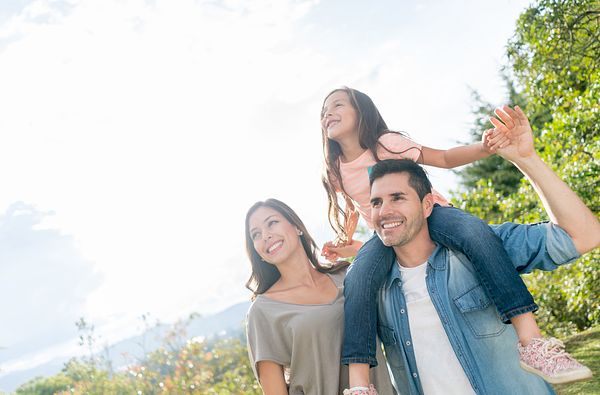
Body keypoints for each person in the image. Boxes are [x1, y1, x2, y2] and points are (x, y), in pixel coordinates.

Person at [319, 87, 588, 391]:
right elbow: (356, 206)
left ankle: (531, 342)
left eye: (337, 105)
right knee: (357, 278)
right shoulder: (336, 167)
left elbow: (444, 158)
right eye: (324, 110)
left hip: (435, 214)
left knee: (476, 233)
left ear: (361, 111)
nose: (328, 112)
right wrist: (347, 238)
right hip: (387, 235)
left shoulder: (387, 143)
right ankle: (359, 385)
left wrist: (486, 148)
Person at [244, 199, 395, 394]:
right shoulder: (263, 310)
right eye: (255, 234)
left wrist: (358, 250)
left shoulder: (346, 275)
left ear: (297, 226)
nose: (265, 236)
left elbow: (398, 259)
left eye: (272, 223)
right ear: (259, 253)